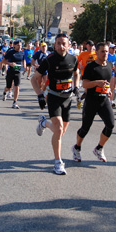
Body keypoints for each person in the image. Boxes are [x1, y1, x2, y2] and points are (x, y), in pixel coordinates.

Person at [31, 33, 80, 175]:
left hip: (67, 99)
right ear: (55, 45)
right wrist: (40, 95)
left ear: (69, 45)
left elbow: (77, 73)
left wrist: (76, 86)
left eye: (64, 43)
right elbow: (35, 79)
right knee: (58, 130)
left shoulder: (73, 59)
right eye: (58, 43)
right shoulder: (49, 60)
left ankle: (44, 123)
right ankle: (58, 162)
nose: (61, 46)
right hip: (53, 97)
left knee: (61, 132)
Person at [72, 42, 115, 163]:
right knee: (85, 127)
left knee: (110, 124)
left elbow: (107, 83)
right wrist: (96, 83)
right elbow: (84, 84)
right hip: (91, 100)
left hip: (104, 100)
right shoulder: (91, 66)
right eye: (102, 51)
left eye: (106, 51)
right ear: (96, 53)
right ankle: (77, 148)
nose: (105, 54)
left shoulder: (110, 65)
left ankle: (99, 148)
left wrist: (109, 90)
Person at [2, 40, 26, 109]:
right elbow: (3, 61)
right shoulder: (10, 52)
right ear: (14, 45)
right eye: (18, 45)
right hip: (10, 71)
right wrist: (10, 64)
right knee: (9, 87)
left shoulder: (22, 53)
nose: (20, 47)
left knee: (17, 87)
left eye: (21, 45)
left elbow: (23, 59)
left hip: (18, 72)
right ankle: (4, 92)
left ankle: (15, 102)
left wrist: (24, 65)